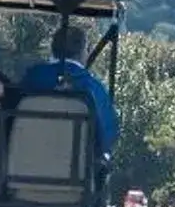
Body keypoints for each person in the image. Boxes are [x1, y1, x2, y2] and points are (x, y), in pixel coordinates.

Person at [22, 19, 119, 154]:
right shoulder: (92, 87)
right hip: (75, 166)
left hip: (25, 156)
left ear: (53, 48)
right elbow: (108, 135)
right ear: (82, 51)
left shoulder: (32, 78)